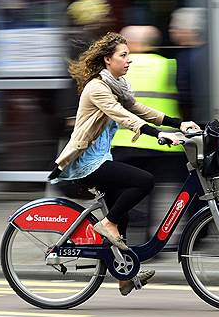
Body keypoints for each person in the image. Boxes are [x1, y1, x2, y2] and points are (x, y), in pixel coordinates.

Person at [48, 32, 199, 295]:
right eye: (123, 55)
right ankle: (106, 225)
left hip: (101, 158)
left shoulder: (117, 85)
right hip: (86, 162)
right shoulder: (97, 87)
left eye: (128, 55)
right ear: (108, 60)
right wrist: (157, 134)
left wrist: (179, 123)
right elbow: (124, 116)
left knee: (123, 210)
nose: (129, 60)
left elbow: (141, 109)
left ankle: (124, 273)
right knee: (143, 181)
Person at [109, 26, 184, 243]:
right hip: (162, 143)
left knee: (127, 195)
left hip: (125, 142)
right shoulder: (168, 65)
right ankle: (158, 239)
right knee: (163, 191)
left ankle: (126, 241)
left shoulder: (118, 69)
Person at [169, 7, 209, 122]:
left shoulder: (195, 57)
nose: (172, 31)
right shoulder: (187, 53)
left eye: (176, 28)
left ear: (193, 31)